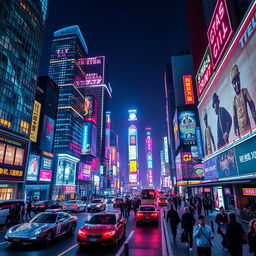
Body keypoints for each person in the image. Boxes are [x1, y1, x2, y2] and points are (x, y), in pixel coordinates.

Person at [231, 64, 256, 136]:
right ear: (232, 85)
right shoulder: (234, 101)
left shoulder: (244, 92)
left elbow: (251, 105)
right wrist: (235, 128)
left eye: (238, 80)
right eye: (235, 82)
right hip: (241, 131)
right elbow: (234, 116)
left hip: (248, 127)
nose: (237, 83)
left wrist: (254, 116)